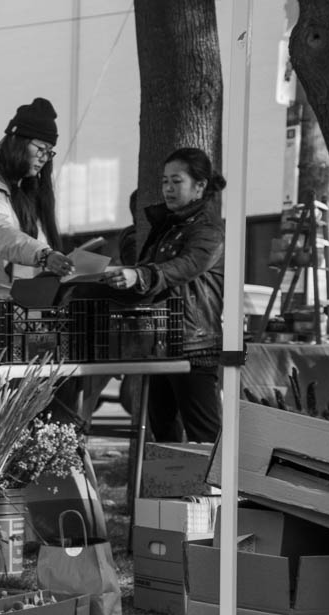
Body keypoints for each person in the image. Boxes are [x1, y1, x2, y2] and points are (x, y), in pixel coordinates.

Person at [101, 146, 225, 443]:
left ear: (200, 186)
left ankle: (215, 491)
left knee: (205, 435)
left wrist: (140, 275)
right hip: (160, 342)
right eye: (165, 181)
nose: (168, 188)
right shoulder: (168, 226)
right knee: (164, 433)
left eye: (177, 181)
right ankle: (172, 490)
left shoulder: (208, 231)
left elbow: (183, 267)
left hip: (195, 346)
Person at [0, 96, 74, 302]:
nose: (44, 158)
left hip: (32, 308)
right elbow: (2, 233)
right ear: (16, 142)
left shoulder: (32, 192)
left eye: (49, 152)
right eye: (40, 148)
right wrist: (45, 255)